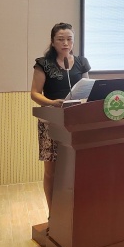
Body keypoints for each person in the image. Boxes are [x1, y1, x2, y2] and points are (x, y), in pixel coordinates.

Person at [30, 22, 90, 214]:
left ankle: (74, 214)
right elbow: (34, 93)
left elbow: (88, 88)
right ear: (53, 41)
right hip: (52, 121)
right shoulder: (43, 64)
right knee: (52, 171)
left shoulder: (81, 62)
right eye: (61, 39)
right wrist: (51, 102)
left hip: (76, 121)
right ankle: (54, 214)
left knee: (77, 169)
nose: (66, 43)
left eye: (69, 39)